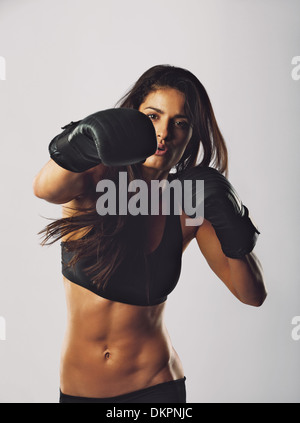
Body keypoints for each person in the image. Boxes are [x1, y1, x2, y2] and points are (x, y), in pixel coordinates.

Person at [33, 64, 267, 403]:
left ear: (191, 136)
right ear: (132, 119)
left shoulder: (190, 204)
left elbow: (252, 295)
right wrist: (78, 144)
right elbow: (44, 188)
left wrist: (235, 224)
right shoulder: (95, 175)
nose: (164, 133)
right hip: (78, 392)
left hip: (156, 388)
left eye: (180, 123)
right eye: (154, 116)